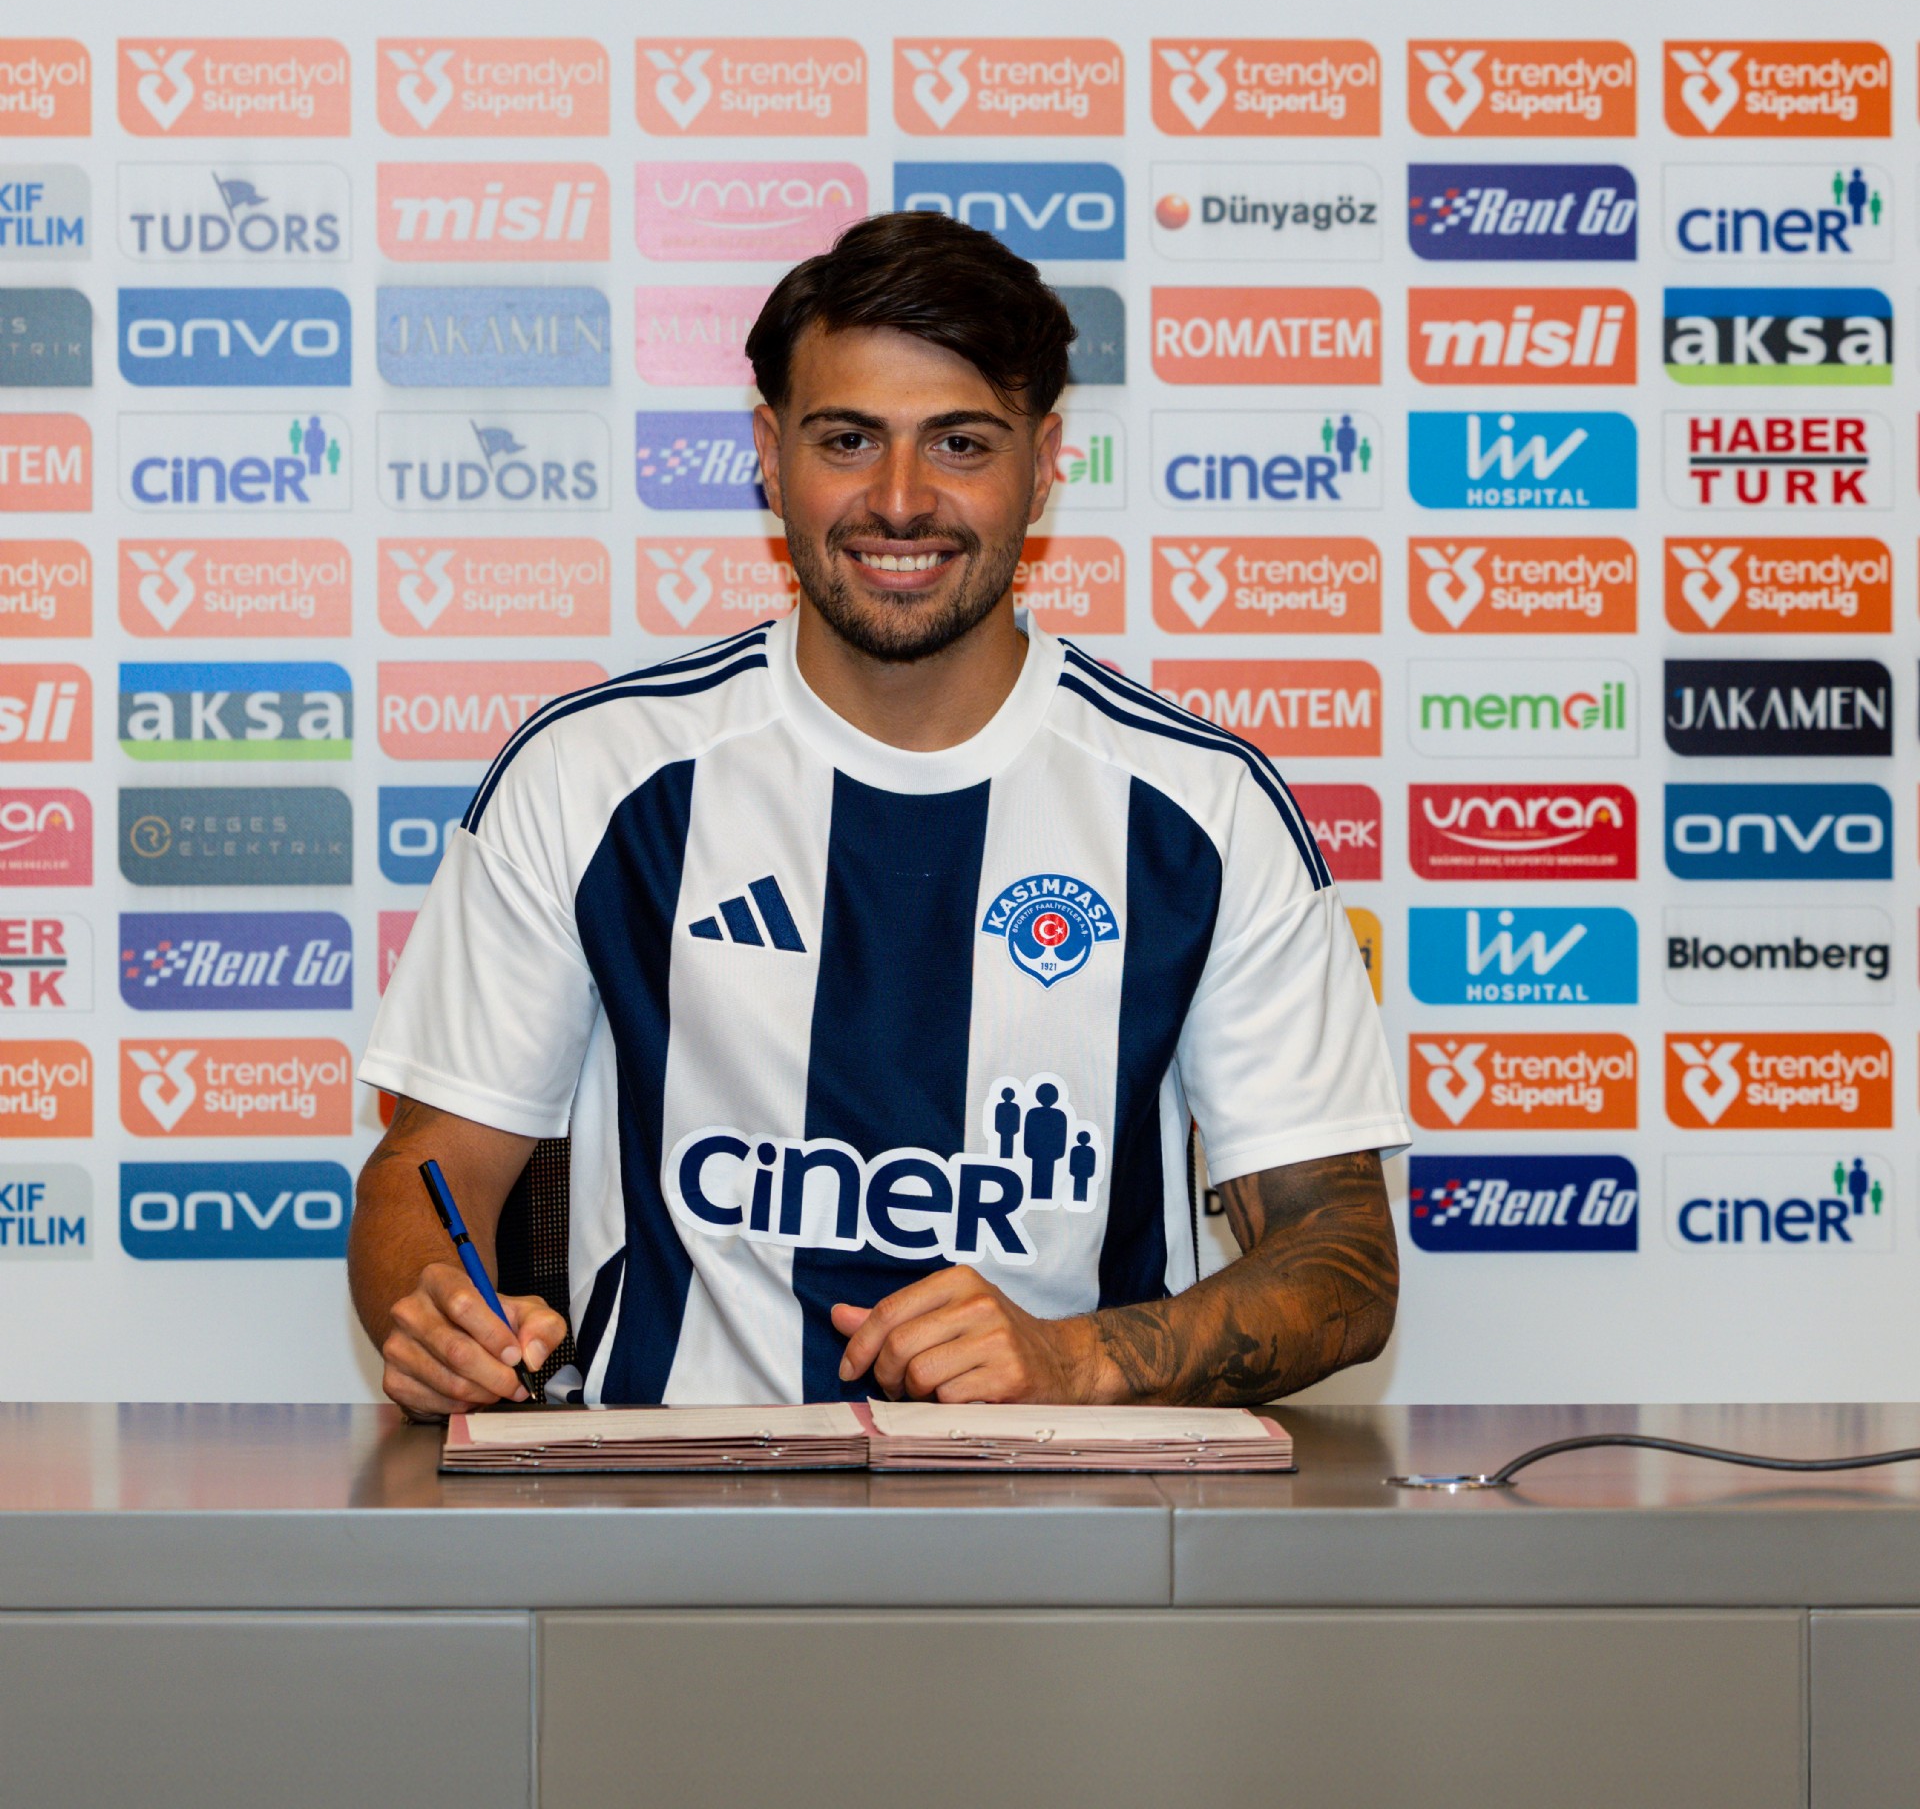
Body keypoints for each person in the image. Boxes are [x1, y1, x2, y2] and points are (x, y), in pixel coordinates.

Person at [350, 213, 1407, 1416]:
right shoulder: (589, 775)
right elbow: (421, 1174)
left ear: (1044, 463)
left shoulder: (1203, 808)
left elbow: (1342, 1262)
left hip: (1071, 1514)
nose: (901, 502)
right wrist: (433, 1311)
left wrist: (1075, 1360)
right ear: (770, 454)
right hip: (668, 1505)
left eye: (960, 443)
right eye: (848, 440)